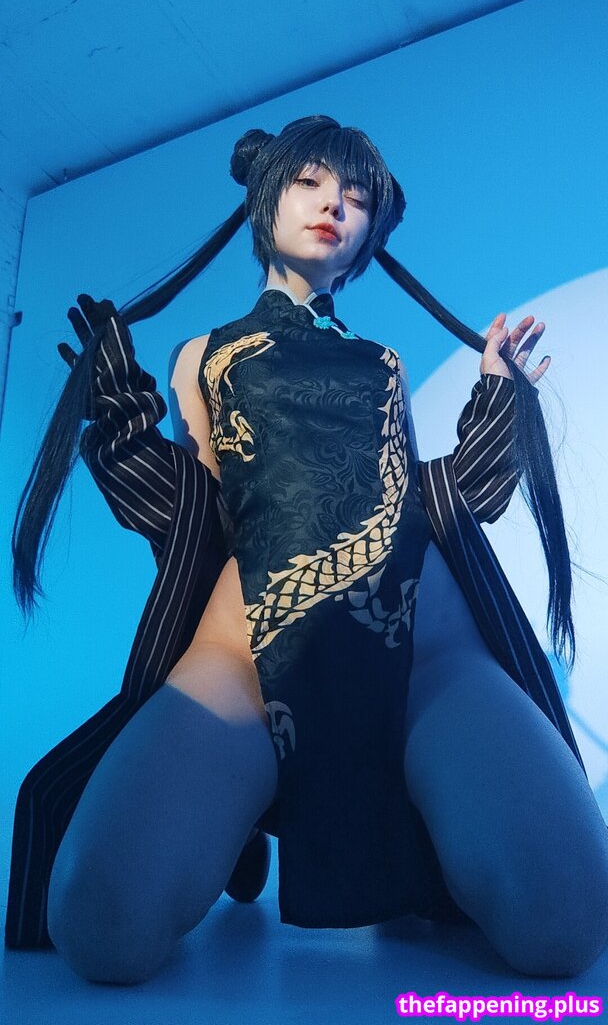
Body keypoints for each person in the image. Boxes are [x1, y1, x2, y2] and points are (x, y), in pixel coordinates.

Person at [7, 116, 608, 984]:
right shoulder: (202, 355)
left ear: (370, 232)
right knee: (104, 924)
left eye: (356, 196)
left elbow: (438, 499)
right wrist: (119, 414)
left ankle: (419, 819)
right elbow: (195, 509)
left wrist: (495, 396)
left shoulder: (386, 363)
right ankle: (245, 819)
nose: (334, 205)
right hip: (246, 658)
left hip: (426, 654)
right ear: (266, 195)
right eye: (310, 182)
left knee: (567, 922)